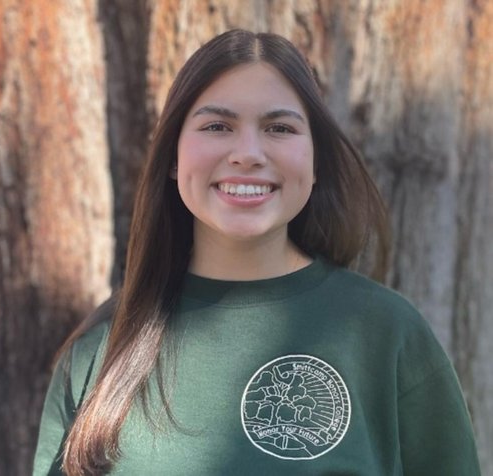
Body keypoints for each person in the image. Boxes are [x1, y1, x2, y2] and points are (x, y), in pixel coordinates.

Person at [33, 29, 480, 476]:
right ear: (173, 157)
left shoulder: (387, 334)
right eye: (217, 126)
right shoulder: (102, 351)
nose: (247, 154)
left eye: (279, 128)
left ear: (316, 160)